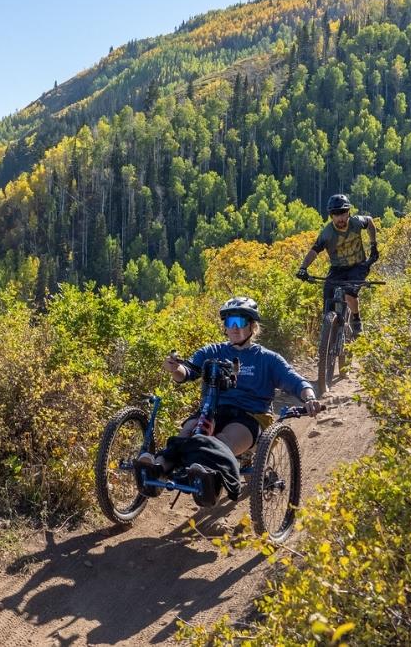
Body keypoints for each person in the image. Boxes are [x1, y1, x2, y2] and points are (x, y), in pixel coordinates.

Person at [135, 297, 322, 501]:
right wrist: (175, 368)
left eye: (240, 322)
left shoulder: (268, 359)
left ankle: (204, 473)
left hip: (250, 416)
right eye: (229, 322)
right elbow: (187, 373)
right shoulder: (212, 351)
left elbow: (296, 381)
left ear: (252, 326)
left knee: (222, 440)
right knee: (186, 433)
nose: (234, 327)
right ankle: (157, 468)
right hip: (212, 410)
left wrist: (309, 398)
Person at [295, 194, 379, 334]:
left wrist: (373, 245)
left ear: (348, 213)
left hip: (358, 266)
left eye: (343, 213)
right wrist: (303, 268)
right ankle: (328, 335)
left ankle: (356, 319)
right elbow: (314, 250)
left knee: (349, 293)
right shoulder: (327, 233)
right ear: (331, 216)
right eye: (336, 214)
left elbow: (370, 222)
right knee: (328, 295)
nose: (340, 217)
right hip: (338, 268)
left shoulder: (356, 222)